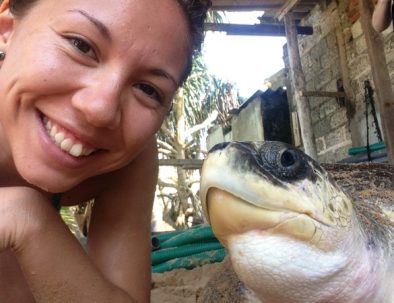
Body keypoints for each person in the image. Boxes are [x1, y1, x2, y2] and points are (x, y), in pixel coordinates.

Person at [0, 0, 211, 302]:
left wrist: (29, 222)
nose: (101, 109)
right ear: (6, 28)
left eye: (148, 89)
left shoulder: (129, 156)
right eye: (81, 46)